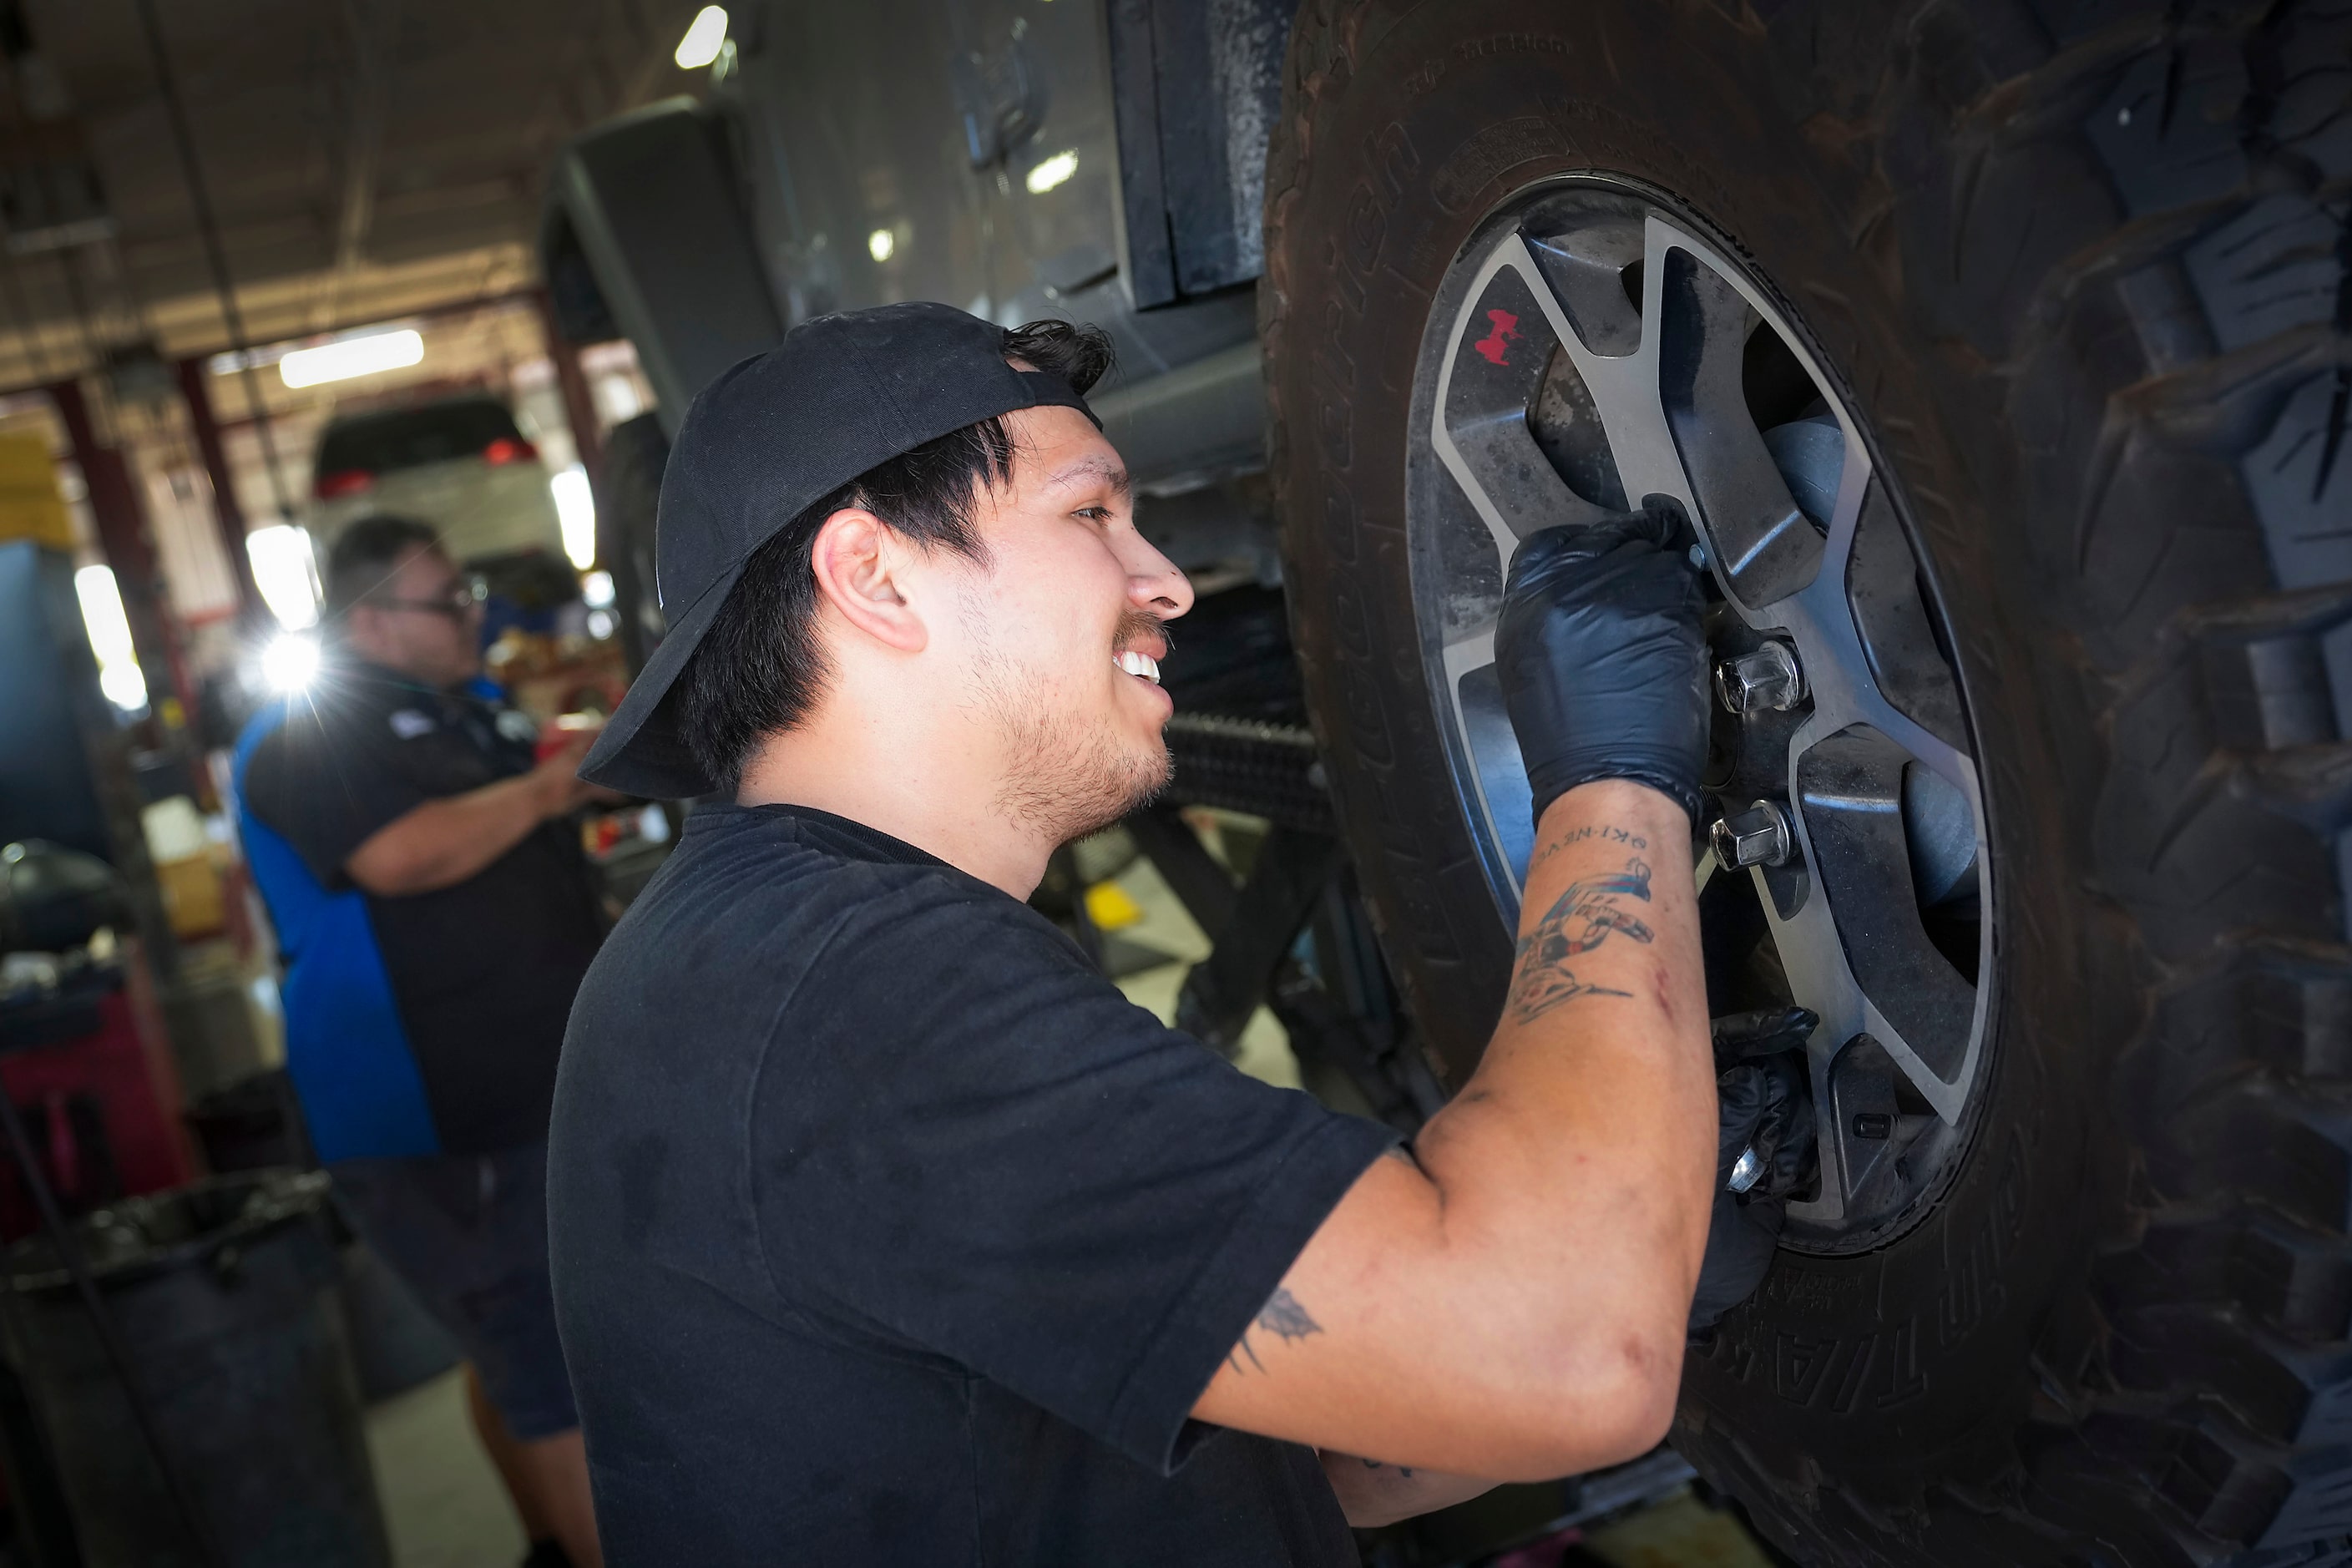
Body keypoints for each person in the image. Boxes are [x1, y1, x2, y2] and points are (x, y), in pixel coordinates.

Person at [549, 303, 1798, 1564]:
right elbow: (1565, 1359)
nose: (1169, 580)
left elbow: (1296, 1460)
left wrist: (1619, 1223)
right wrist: (1613, 773)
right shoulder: (850, 993)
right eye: (1091, 514)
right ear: (875, 575)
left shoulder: (765, 949)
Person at [234, 516, 611, 1568]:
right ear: (370, 618)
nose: (470, 616)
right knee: (552, 1371)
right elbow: (398, 858)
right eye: (445, 600)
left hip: (526, 1089)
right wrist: (549, 788)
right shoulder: (310, 729)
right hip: (435, 1109)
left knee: (517, 1354)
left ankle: (548, 1542)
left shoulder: (462, 713)